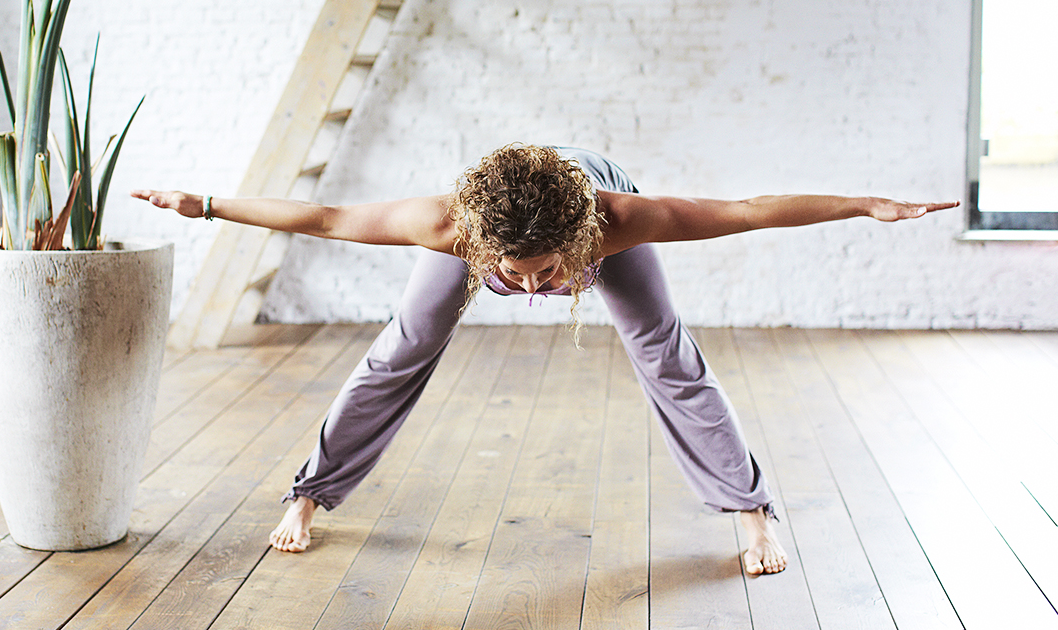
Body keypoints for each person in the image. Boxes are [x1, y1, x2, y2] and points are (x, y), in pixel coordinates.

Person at [133, 144, 957, 575]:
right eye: (515, 275)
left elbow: (745, 212)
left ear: (581, 244)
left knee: (666, 354)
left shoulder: (623, 218)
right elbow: (321, 215)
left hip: (582, 190)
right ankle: (309, 495)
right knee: (403, 346)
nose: (533, 289)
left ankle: (751, 510)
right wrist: (202, 204)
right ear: (481, 245)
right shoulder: (446, 226)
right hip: (501, 201)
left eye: (552, 273)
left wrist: (862, 205)